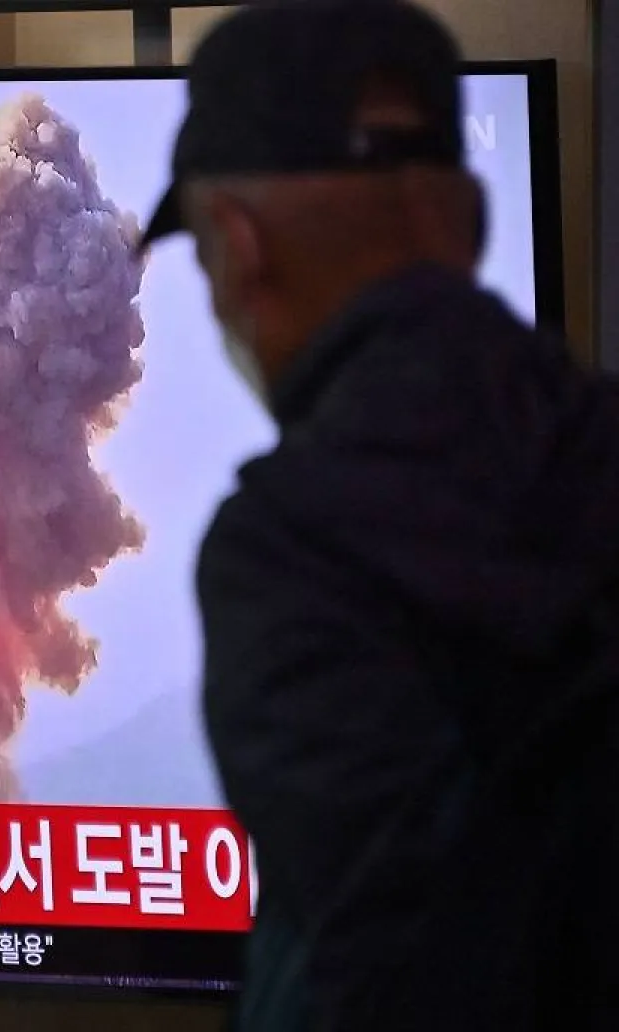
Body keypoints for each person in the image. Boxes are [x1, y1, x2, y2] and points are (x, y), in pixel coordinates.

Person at [140, 2, 618, 1030]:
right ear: (470, 219)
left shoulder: (291, 552)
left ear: (239, 249)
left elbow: (386, 974)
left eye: (204, 264)